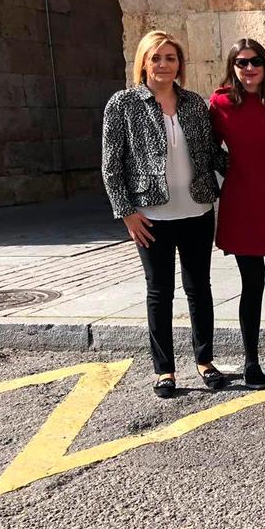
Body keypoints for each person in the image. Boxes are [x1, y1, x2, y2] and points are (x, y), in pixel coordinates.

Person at [101, 30, 225, 398]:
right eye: (156, 58)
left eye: (171, 58)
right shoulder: (123, 104)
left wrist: (254, 156)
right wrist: (126, 213)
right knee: (159, 291)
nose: (164, 65)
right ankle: (165, 370)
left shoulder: (193, 104)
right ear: (144, 62)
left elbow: (211, 154)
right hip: (150, 216)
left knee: (199, 288)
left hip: (197, 210)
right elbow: (112, 164)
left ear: (179, 65)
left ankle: (205, 361)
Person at [209, 38, 265, 389]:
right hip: (242, 202)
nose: (249, 69)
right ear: (233, 67)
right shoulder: (220, 105)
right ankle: (250, 359)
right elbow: (208, 149)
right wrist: (229, 171)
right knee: (251, 283)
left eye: (255, 62)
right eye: (241, 63)